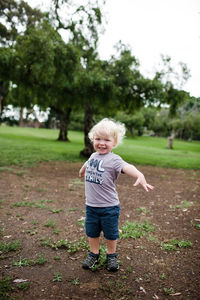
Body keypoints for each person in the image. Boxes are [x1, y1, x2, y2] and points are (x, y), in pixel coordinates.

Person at [79, 118, 154, 272]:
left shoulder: (114, 160)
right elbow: (87, 164)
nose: (101, 143)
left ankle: (111, 256)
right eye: (98, 139)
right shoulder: (93, 156)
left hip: (109, 207)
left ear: (114, 142)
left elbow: (127, 166)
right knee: (91, 232)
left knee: (111, 233)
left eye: (106, 140)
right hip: (91, 206)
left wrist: (139, 174)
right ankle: (94, 254)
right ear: (93, 139)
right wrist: (82, 170)